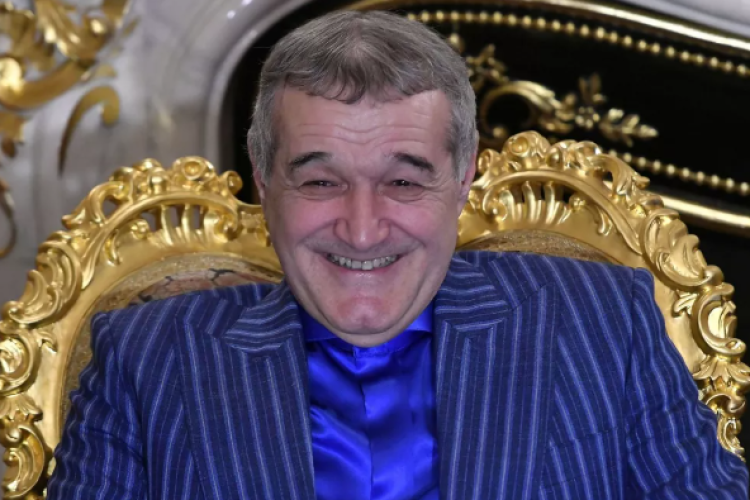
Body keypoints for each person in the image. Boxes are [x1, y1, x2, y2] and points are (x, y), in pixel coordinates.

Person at [47, 10, 748, 500]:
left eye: (404, 182)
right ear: (264, 183)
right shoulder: (146, 356)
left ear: (463, 179)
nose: (362, 230)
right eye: (320, 181)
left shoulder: (599, 320)